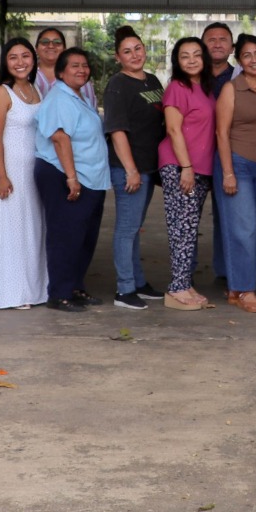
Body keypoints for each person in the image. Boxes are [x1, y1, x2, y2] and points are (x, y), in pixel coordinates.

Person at [36, 47, 110, 310]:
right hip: (65, 176)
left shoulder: (78, 96)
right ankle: (59, 294)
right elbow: (59, 137)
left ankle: (76, 286)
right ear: (60, 72)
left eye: (84, 65)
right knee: (65, 236)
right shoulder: (59, 98)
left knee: (84, 237)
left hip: (89, 178)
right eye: (74, 66)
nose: (81, 70)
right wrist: (71, 178)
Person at [216, 34, 256, 313]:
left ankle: (237, 287)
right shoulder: (232, 89)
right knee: (244, 229)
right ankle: (246, 290)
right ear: (238, 60)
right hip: (238, 164)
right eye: (247, 55)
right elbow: (221, 132)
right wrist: (228, 172)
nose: (254, 59)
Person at [0, 38, 49, 310]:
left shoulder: (35, 88)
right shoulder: (2, 93)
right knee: (12, 231)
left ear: (33, 59)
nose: (20, 62)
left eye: (25, 56)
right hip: (9, 171)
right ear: (6, 62)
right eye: (13, 57)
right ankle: (11, 292)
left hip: (33, 171)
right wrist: (2, 175)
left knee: (32, 229)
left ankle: (33, 290)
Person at [103, 26, 166, 308]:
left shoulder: (152, 81)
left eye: (138, 48)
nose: (135, 55)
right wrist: (130, 169)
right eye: (127, 52)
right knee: (127, 229)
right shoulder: (118, 85)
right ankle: (124, 289)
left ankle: (138, 283)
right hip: (129, 168)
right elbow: (117, 130)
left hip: (148, 167)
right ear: (118, 57)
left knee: (136, 228)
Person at [158, 37, 218, 309]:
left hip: (199, 168)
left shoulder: (205, 89)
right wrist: (186, 167)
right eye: (185, 56)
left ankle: (184, 282)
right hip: (180, 166)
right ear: (177, 61)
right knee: (181, 227)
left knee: (190, 227)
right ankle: (176, 289)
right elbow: (173, 129)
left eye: (197, 54)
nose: (192, 60)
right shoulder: (176, 88)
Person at [202, 20, 235, 287]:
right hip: (194, 158)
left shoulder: (239, 78)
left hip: (228, 156)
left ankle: (226, 272)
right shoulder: (191, 76)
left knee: (227, 216)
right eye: (211, 39)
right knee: (187, 220)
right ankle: (183, 274)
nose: (216, 43)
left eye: (222, 39)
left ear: (232, 46)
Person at [32, 27, 97, 108]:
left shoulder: (79, 75)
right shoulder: (27, 75)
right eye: (45, 42)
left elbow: (91, 111)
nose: (51, 46)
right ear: (36, 49)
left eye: (57, 42)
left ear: (64, 49)